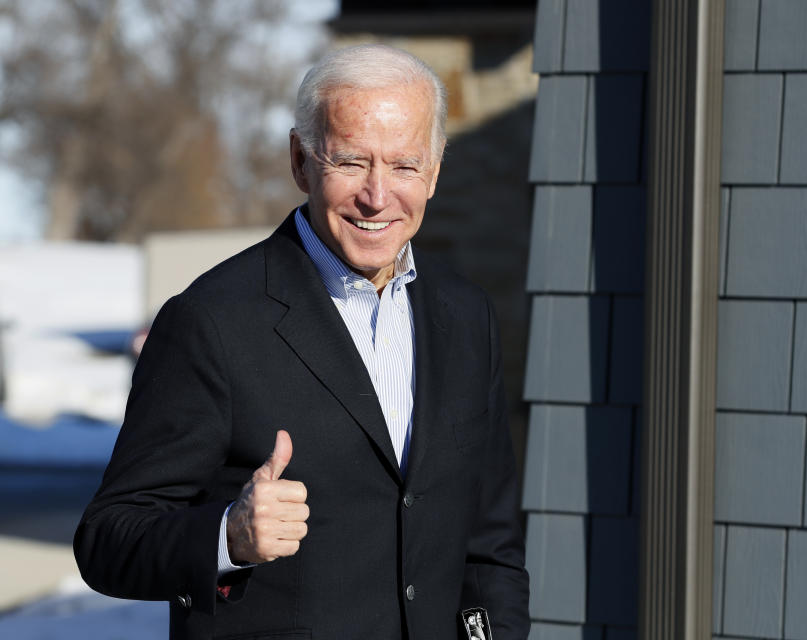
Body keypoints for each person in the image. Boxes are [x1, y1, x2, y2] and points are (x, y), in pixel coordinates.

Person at [74, 44, 530, 640]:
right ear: (300, 159)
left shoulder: (466, 316)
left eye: (404, 166)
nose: (376, 195)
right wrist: (228, 536)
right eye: (350, 163)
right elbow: (108, 538)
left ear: (436, 171)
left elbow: (489, 540)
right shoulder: (211, 321)